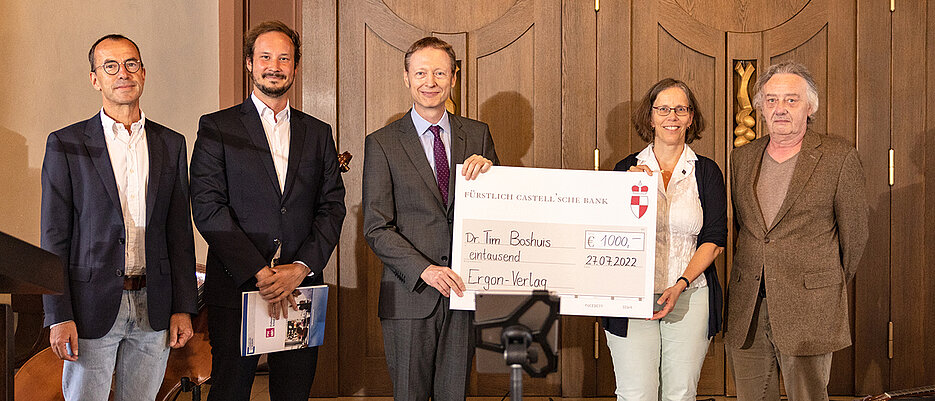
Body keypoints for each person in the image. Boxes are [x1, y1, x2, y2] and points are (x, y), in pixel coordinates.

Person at [189, 20, 346, 401]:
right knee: (229, 392)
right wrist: (260, 272)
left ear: (295, 66)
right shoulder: (217, 127)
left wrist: (300, 267)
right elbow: (208, 206)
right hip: (237, 285)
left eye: (284, 58)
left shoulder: (318, 132)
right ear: (249, 63)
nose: (274, 65)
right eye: (265, 57)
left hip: (300, 288)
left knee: (294, 392)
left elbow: (332, 207)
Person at [41, 34, 197, 400]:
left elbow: (179, 234)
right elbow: (54, 237)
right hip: (89, 306)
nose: (122, 73)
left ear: (143, 72)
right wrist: (58, 314)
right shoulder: (66, 144)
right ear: (95, 79)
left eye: (130, 64)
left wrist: (183, 307)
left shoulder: (170, 144)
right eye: (110, 66)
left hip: (154, 305)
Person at [362, 36, 498, 401]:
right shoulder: (382, 143)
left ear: (454, 77)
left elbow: (499, 211)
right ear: (406, 78)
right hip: (410, 293)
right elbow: (376, 227)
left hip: (463, 290)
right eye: (421, 72)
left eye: (440, 72)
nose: (430, 81)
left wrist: (493, 172)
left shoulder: (478, 134)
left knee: (455, 394)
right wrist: (425, 269)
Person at [726, 61, 869, 401]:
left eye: (791, 100)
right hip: (749, 307)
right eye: (772, 100)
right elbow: (742, 231)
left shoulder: (839, 157)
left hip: (809, 307)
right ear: (760, 108)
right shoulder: (742, 158)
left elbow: (856, 236)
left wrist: (821, 283)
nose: (780, 109)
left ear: (810, 107)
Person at [601, 78, 727, 401]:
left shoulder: (707, 172)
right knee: (635, 394)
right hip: (632, 299)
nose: (672, 116)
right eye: (663, 109)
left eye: (681, 109)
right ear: (651, 116)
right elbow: (606, 236)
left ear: (691, 117)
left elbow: (714, 238)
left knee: (681, 394)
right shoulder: (625, 169)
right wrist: (625, 192)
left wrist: (680, 284)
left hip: (690, 294)